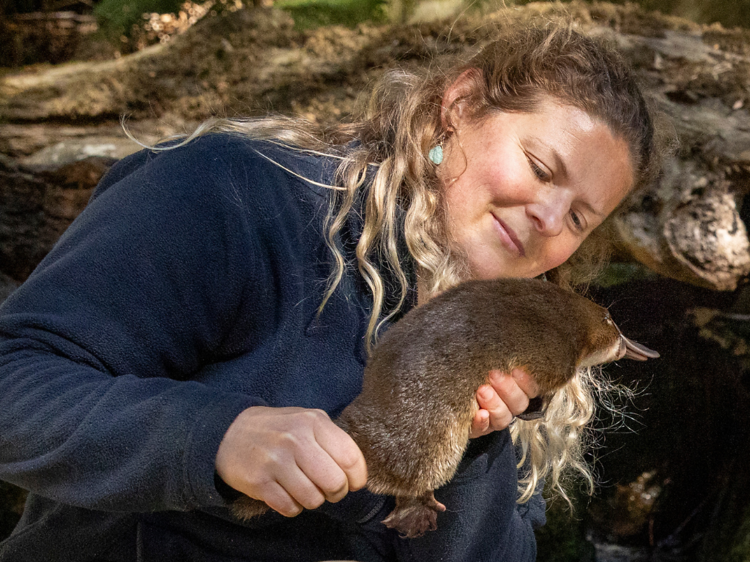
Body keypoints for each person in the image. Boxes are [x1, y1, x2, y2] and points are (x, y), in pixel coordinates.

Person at [0, 19, 659, 562]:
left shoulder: (527, 358)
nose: (548, 219)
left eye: (579, 217)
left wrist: (472, 447)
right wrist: (217, 438)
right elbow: (15, 384)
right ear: (460, 104)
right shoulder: (232, 196)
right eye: (541, 169)